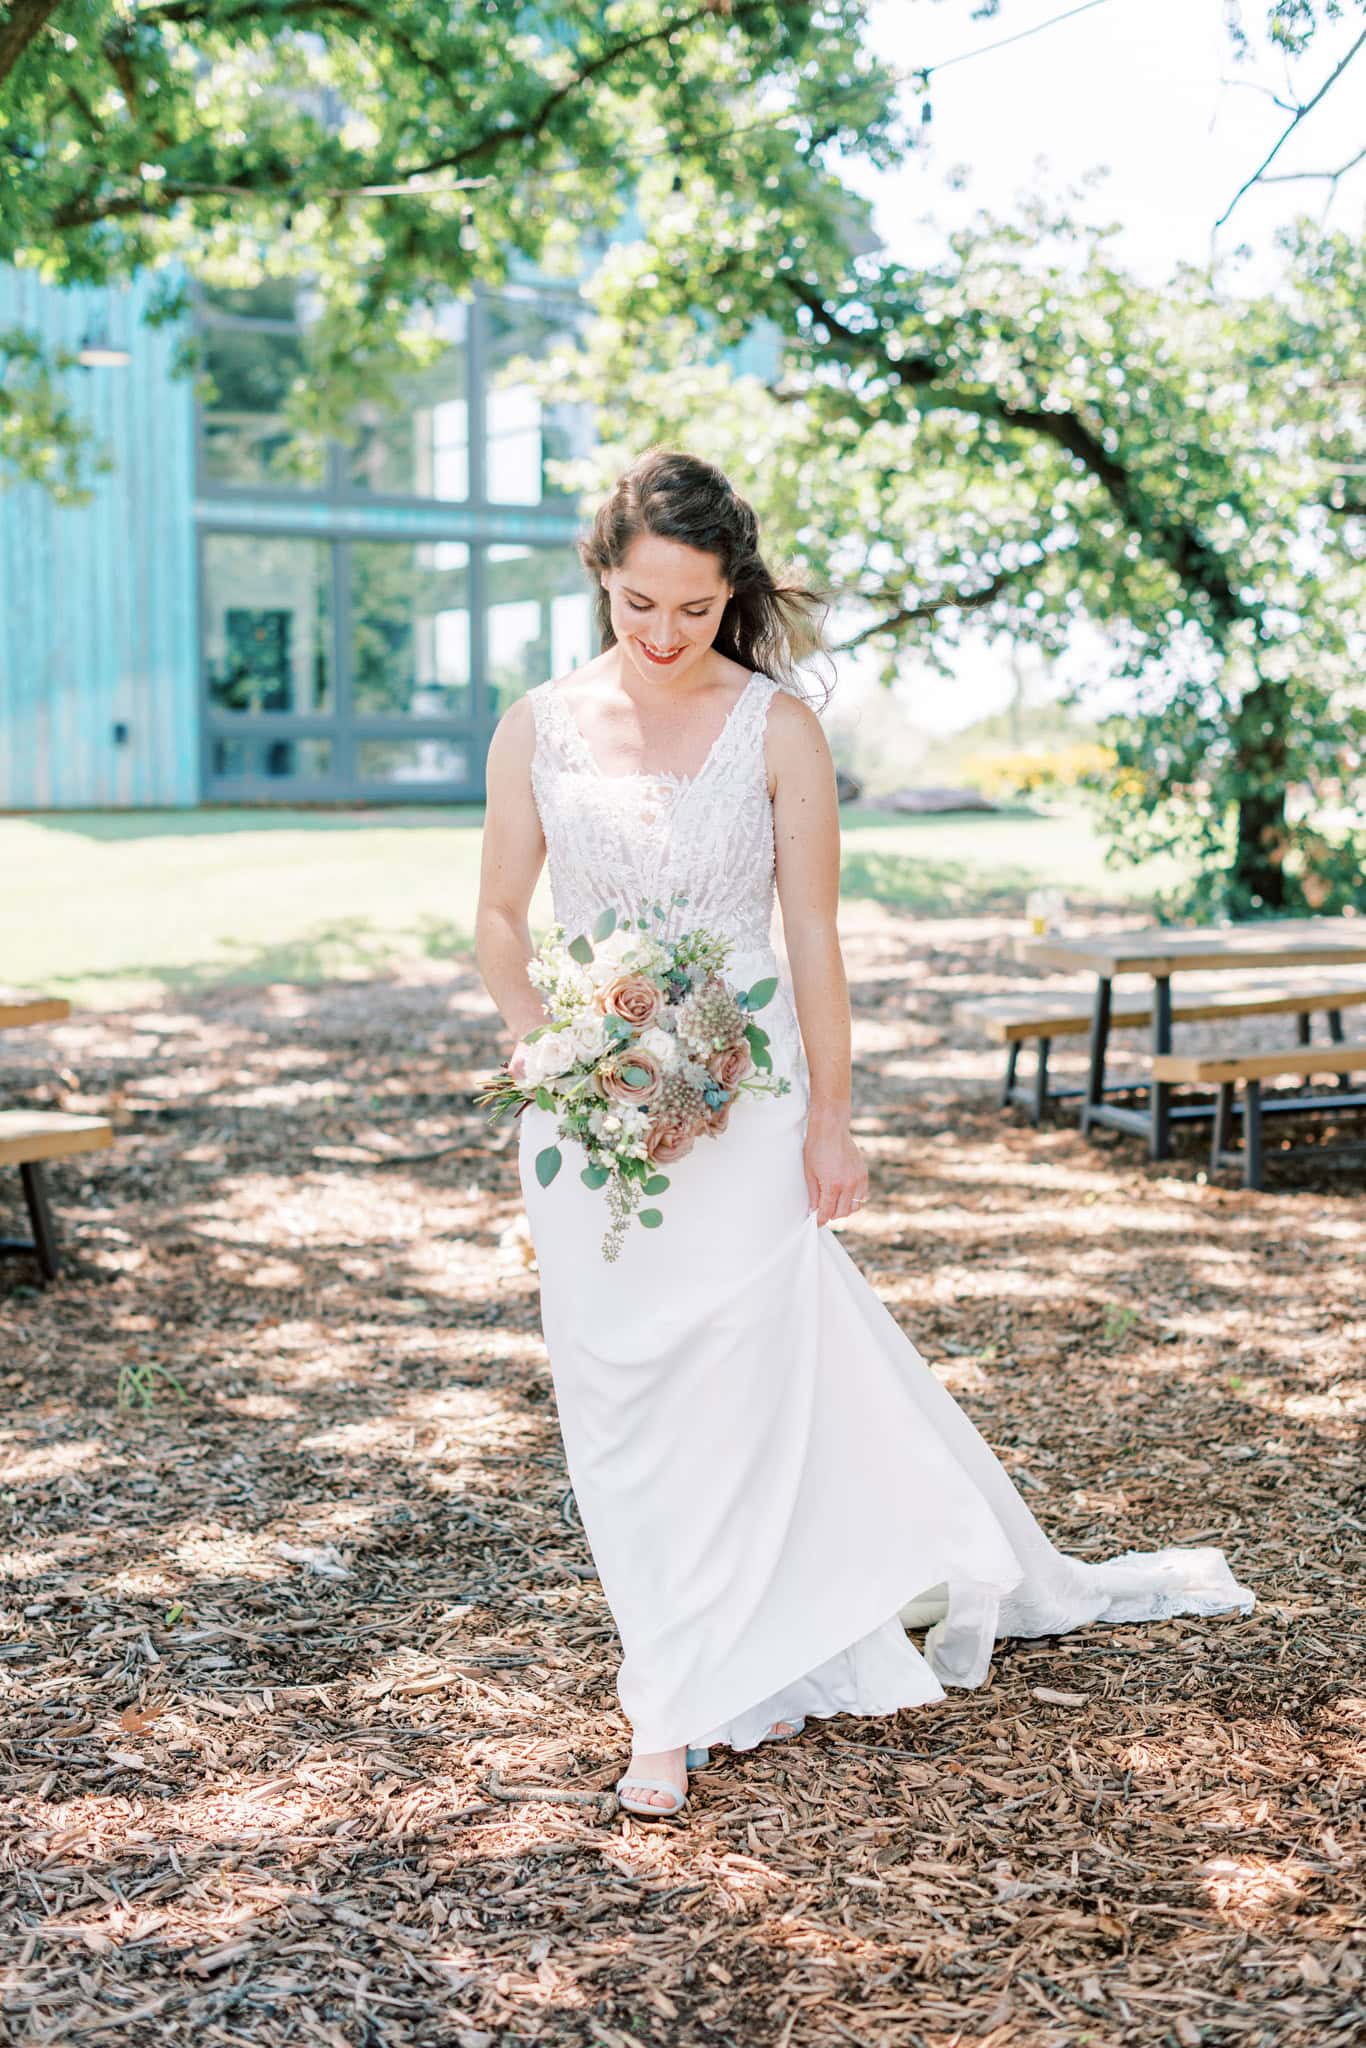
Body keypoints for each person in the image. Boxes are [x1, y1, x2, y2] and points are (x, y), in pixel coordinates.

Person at [473, 448, 1254, 1819]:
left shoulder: (777, 728)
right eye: (638, 604)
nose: (662, 636)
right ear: (600, 574)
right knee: (618, 1402)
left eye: (694, 610)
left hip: (748, 1103)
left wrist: (832, 1119)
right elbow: (494, 916)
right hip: (586, 1116)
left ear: (733, 598)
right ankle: (684, 1645)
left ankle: (671, 1700)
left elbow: (813, 937)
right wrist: (547, 1039)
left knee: (743, 1386)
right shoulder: (535, 723)